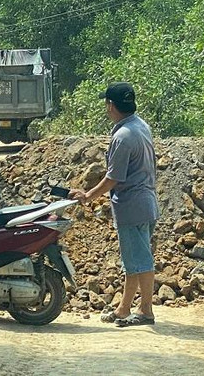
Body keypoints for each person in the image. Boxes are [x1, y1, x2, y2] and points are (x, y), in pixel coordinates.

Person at [70, 81, 159, 327]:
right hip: (146, 202)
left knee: (141, 261)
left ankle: (146, 311)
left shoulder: (122, 136)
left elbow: (113, 178)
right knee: (133, 260)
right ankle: (124, 308)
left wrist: (87, 196)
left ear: (111, 106)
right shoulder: (140, 126)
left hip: (131, 205)